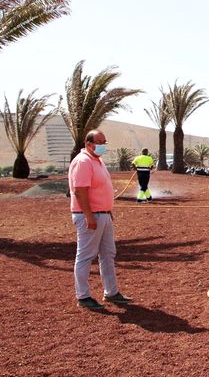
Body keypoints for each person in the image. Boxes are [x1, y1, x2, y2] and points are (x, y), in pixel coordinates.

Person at [69, 129, 133, 310]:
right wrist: (89, 216)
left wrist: (106, 211)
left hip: (103, 214)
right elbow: (79, 191)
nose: (103, 146)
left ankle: (111, 292)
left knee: (108, 254)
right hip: (89, 216)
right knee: (86, 255)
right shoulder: (83, 162)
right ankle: (83, 296)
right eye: (99, 142)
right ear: (88, 144)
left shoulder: (97, 161)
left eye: (105, 142)